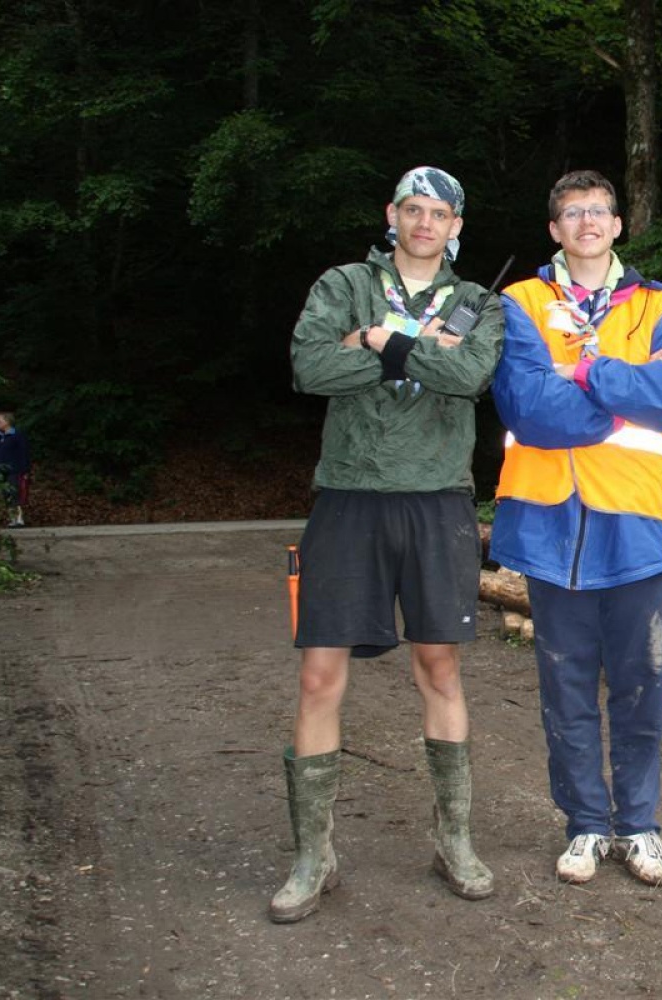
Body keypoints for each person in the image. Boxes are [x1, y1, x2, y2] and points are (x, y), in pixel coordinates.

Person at [272, 166, 504, 923]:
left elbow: (469, 374)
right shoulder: (344, 284)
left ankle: (454, 840)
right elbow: (311, 366)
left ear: (456, 225)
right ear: (392, 215)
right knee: (318, 677)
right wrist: (399, 339)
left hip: (437, 499)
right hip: (348, 496)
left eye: (440, 212)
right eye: (414, 209)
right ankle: (314, 857)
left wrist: (373, 347)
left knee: (439, 668)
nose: (426, 222)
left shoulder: (478, 303)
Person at [488, 169, 662, 886]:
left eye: (599, 211)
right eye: (572, 211)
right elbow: (527, 408)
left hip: (635, 525)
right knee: (566, 687)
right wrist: (617, 390)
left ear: (616, 225)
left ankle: (639, 825)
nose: (586, 221)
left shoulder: (656, 308)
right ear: (555, 229)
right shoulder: (520, 302)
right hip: (551, 527)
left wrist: (583, 371)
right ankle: (584, 825)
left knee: (642, 684)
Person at [0, 412, 31, 527]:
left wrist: (25, 470)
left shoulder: (17, 435)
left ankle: (19, 519)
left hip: (15, 470)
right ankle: (12, 519)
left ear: (7, 422)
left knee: (15, 493)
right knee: (6, 494)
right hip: (0, 472)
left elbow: (24, 453)